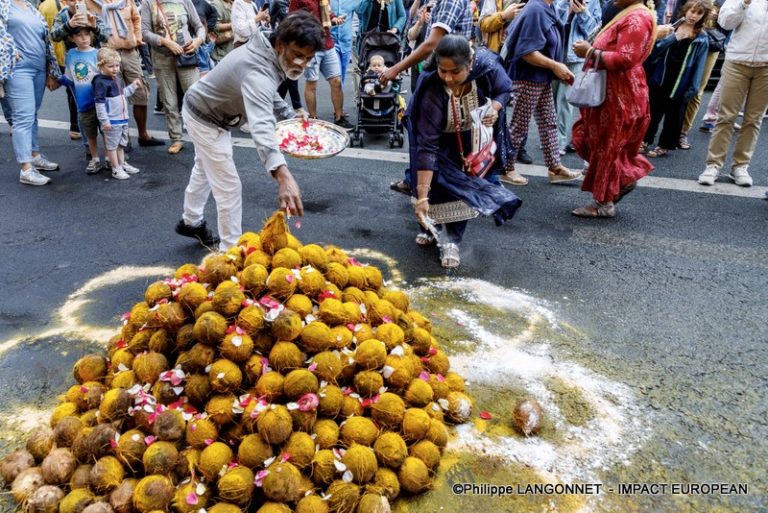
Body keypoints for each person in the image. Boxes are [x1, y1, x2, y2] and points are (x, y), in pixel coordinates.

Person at [175, 11, 322, 250]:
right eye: (297, 55)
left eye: (307, 58)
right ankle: (230, 254)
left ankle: (190, 221)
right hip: (205, 117)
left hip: (208, 109)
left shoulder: (267, 51)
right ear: (280, 45)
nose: (301, 64)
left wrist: (288, 114)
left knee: (205, 168)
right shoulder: (258, 69)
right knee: (229, 187)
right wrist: (283, 176)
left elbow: (266, 94)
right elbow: (261, 124)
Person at [407, 35, 522, 268]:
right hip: (437, 141)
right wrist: (421, 196)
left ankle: (451, 241)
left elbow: (504, 89)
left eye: (455, 72)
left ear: (470, 64)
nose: (448, 78)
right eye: (443, 71)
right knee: (434, 186)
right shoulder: (432, 88)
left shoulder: (487, 67)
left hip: (472, 139)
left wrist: (495, 107)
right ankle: (430, 228)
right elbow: (427, 147)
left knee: (461, 188)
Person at [569, 0, 656, 217]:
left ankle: (604, 203)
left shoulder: (636, 18)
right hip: (612, 92)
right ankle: (619, 183)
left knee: (608, 145)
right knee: (600, 142)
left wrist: (590, 53)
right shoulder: (630, 13)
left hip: (618, 96)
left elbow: (626, 58)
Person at [502, 0, 580, 186]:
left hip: (539, 76)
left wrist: (555, 68)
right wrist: (555, 66)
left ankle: (555, 167)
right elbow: (527, 51)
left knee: (548, 122)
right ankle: (506, 168)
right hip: (528, 77)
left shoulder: (546, 7)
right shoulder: (536, 8)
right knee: (519, 126)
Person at [696, 0, 768, 187]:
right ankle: (713, 165)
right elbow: (726, 22)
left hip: (765, 66)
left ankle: (740, 166)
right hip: (737, 61)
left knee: (754, 119)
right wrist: (743, 4)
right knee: (725, 116)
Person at [85, 0, 165, 148]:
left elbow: (136, 18)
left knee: (141, 92)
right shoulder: (90, 2)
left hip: (130, 52)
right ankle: (123, 140)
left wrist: (137, 36)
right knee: (114, 97)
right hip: (108, 54)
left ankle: (143, 135)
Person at [641, 0, 710, 158]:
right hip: (662, 76)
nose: (694, 16)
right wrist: (674, 37)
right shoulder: (672, 28)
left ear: (703, 16)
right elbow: (655, 51)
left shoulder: (701, 38)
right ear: (685, 10)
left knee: (674, 115)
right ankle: (645, 140)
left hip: (682, 79)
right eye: (692, 11)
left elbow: (699, 65)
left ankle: (664, 145)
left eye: (699, 13)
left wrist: (693, 88)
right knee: (653, 111)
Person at [5, 0, 62, 186]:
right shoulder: (3, 5)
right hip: (18, 69)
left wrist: (49, 69)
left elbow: (44, 38)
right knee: (23, 116)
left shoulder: (30, 7)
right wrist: (9, 50)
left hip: (39, 67)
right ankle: (26, 169)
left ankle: (35, 155)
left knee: (32, 114)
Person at [141, 0, 206, 154]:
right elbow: (144, 32)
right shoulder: (148, 3)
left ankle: (202, 138)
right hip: (162, 58)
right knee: (169, 101)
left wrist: (198, 41)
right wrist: (164, 41)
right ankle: (176, 139)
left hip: (186, 55)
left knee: (195, 99)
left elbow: (199, 26)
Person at [289, 0, 354, 130]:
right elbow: (291, 20)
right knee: (312, 83)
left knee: (336, 80)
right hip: (310, 45)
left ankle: (339, 117)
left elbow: (327, 13)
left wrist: (334, 19)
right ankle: (313, 119)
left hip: (327, 43)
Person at [552, 0, 601, 155]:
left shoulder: (593, 2)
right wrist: (565, 5)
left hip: (575, 56)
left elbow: (594, 31)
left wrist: (582, 13)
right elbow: (552, 19)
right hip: (555, 52)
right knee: (551, 98)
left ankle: (560, 141)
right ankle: (551, 139)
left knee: (565, 99)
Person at [57, 25, 104, 174]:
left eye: (86, 34)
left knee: (106, 130)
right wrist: (56, 78)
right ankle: (94, 158)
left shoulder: (98, 53)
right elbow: (69, 77)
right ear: (71, 38)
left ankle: (112, 157)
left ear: (91, 36)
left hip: (100, 100)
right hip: (83, 102)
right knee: (88, 131)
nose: (84, 38)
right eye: (79, 35)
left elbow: (105, 75)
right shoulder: (70, 54)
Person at [93, 47, 142, 180]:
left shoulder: (114, 79)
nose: (115, 69)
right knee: (112, 146)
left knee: (120, 144)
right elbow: (99, 103)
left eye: (117, 66)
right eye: (111, 66)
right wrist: (104, 121)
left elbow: (123, 94)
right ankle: (116, 168)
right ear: (101, 65)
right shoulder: (100, 82)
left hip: (122, 119)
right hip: (112, 120)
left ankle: (121, 164)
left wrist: (133, 86)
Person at [39, 0, 80, 140]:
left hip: (62, 55)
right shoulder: (53, 6)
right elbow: (50, 37)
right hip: (62, 56)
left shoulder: (46, 5)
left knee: (73, 89)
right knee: (73, 90)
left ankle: (76, 127)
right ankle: (76, 127)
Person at [330, 0, 361, 84]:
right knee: (337, 77)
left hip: (346, 42)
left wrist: (357, 33)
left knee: (342, 79)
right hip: (331, 41)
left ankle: (339, 96)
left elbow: (361, 14)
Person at [191, 0, 219, 76]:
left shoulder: (202, 41)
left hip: (207, 66)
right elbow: (204, 51)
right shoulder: (195, 41)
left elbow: (207, 50)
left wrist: (212, 43)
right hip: (201, 69)